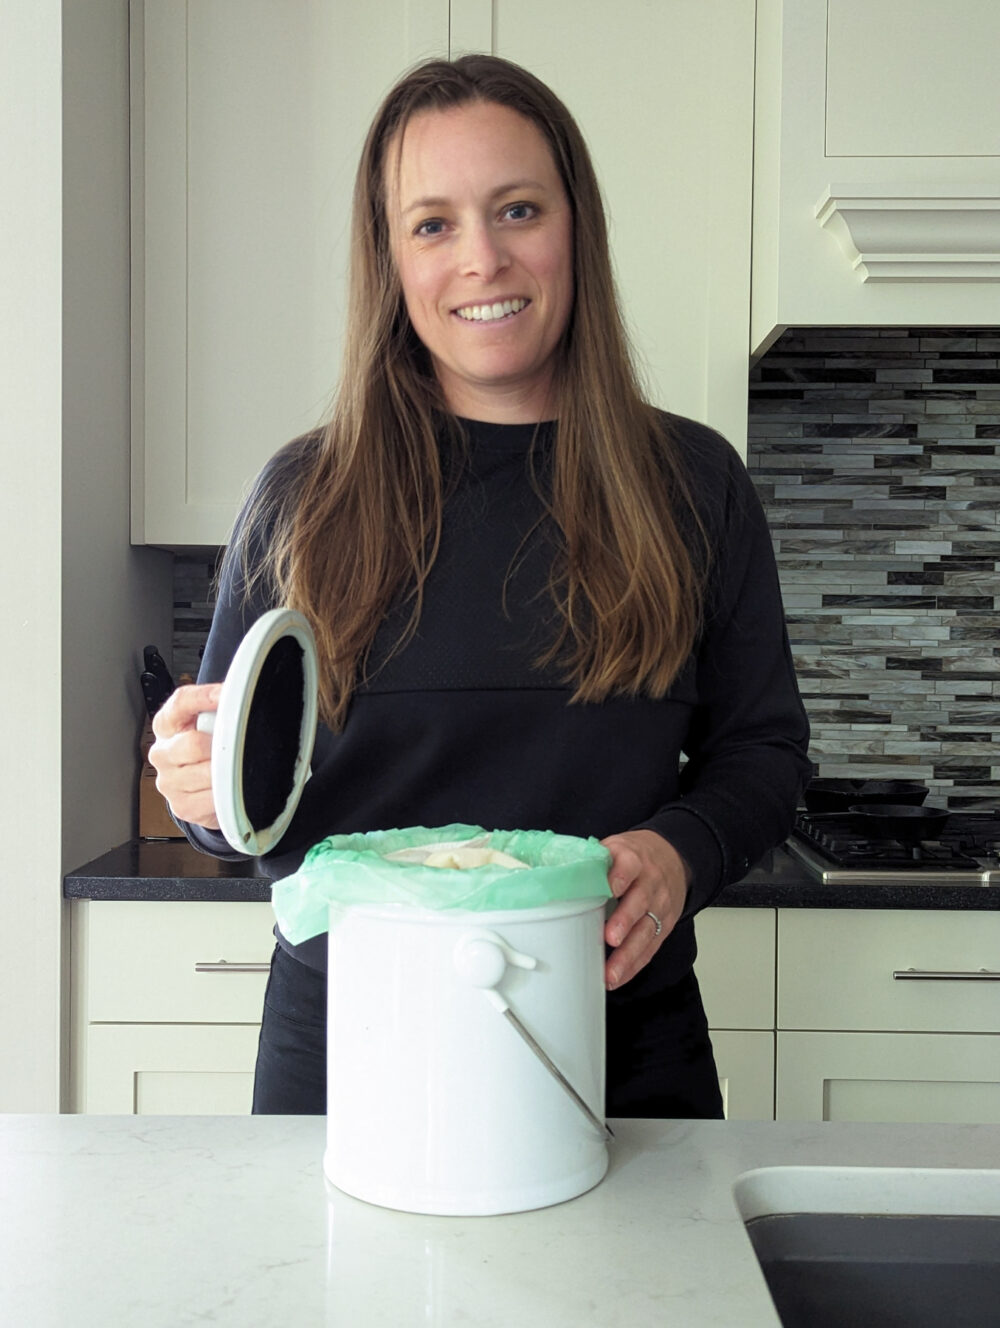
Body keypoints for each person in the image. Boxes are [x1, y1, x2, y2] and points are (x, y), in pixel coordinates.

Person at [150, 54, 811, 1119]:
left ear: (574, 227)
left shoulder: (693, 487)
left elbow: (765, 752)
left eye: (516, 209)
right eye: (431, 224)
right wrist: (203, 793)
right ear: (390, 258)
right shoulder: (303, 496)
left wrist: (681, 849)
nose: (482, 257)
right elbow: (246, 806)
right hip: (349, 1044)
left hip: (620, 1046)